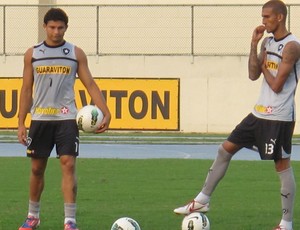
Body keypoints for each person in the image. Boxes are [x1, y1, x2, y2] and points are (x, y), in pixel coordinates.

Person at [174, 1, 300, 230]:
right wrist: (254, 46)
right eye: (262, 16)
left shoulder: (292, 46)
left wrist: (263, 64)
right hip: (258, 113)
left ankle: (286, 224)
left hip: (279, 116)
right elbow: (253, 74)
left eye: (267, 17)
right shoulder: (267, 41)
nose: (263, 21)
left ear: (280, 17)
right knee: (225, 149)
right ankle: (202, 201)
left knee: (281, 164)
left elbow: (277, 85)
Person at [17, 8, 111, 230]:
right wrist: (21, 122)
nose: (56, 32)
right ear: (44, 27)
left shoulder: (75, 53)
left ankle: (70, 221)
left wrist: (105, 111)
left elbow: (90, 84)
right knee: (37, 169)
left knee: (68, 164)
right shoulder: (32, 54)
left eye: (60, 28)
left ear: (66, 28)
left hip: (67, 119)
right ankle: (33, 216)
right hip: (40, 119)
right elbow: (26, 89)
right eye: (52, 27)